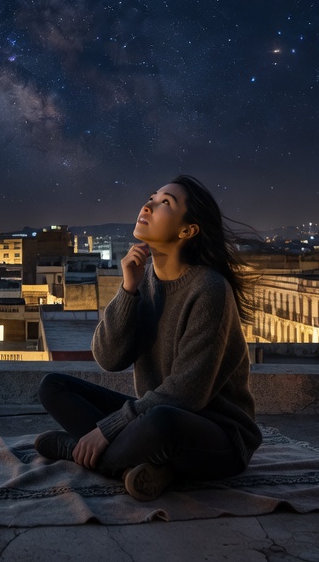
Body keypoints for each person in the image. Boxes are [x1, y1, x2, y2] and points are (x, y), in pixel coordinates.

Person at [33, 175, 261, 501]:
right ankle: (145, 467)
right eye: (152, 198)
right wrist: (128, 289)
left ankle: (79, 453)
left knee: (161, 421)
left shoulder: (209, 289)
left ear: (187, 230)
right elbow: (109, 358)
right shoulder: (144, 278)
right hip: (150, 418)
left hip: (217, 438)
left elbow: (187, 394)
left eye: (165, 203)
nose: (148, 205)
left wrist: (107, 430)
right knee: (53, 387)